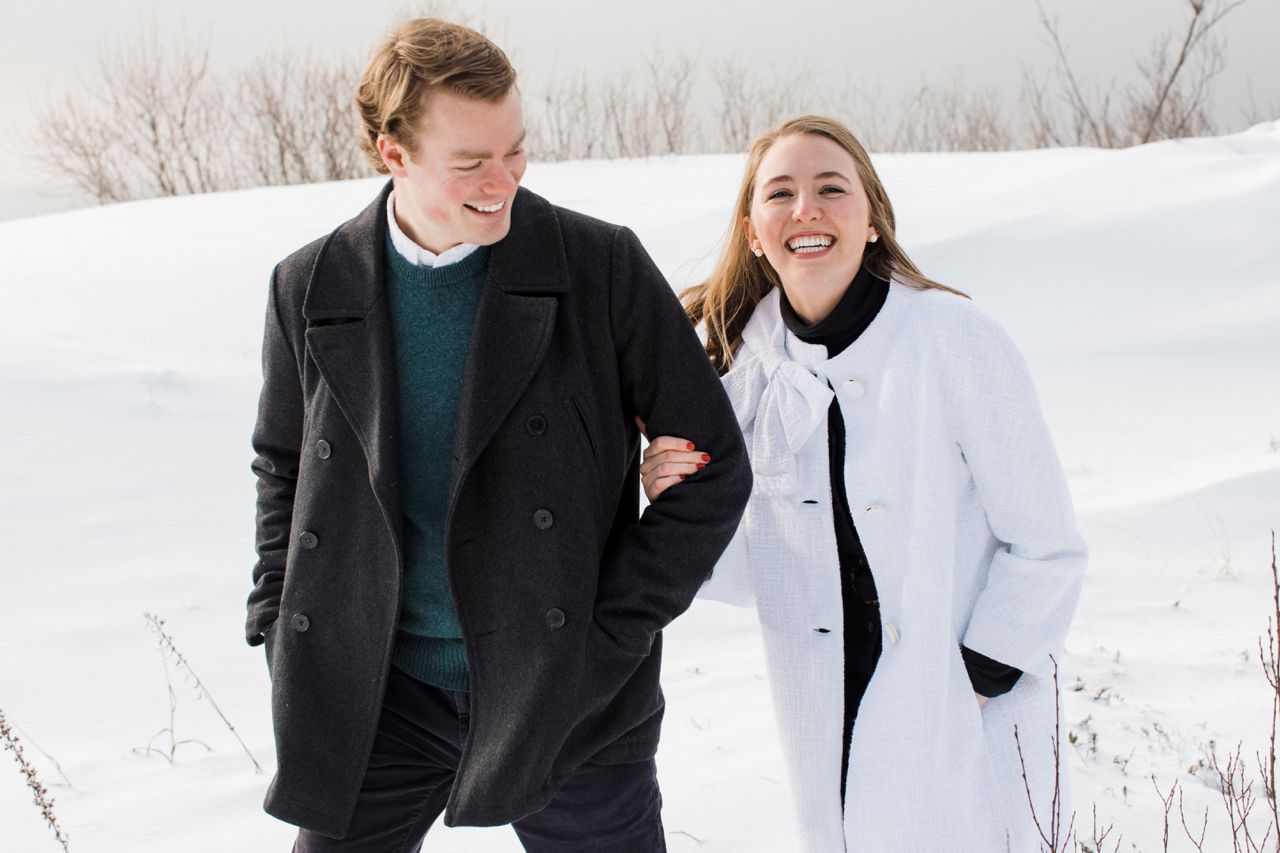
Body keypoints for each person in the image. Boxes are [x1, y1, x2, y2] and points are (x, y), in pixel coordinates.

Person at [244, 18, 751, 852]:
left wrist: (607, 634)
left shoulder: (599, 267)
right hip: (376, 694)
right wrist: (278, 609)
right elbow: (284, 465)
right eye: (472, 161)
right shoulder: (309, 284)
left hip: (567, 693)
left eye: (515, 149)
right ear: (392, 153)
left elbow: (715, 470)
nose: (504, 179)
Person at [641, 115, 1086, 852]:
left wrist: (972, 678)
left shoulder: (953, 338)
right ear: (755, 232)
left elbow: (1046, 543)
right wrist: (678, 501)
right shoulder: (741, 376)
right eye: (779, 193)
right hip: (825, 712)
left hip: (963, 711)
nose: (805, 209)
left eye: (830, 188)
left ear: (872, 218)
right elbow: (760, 571)